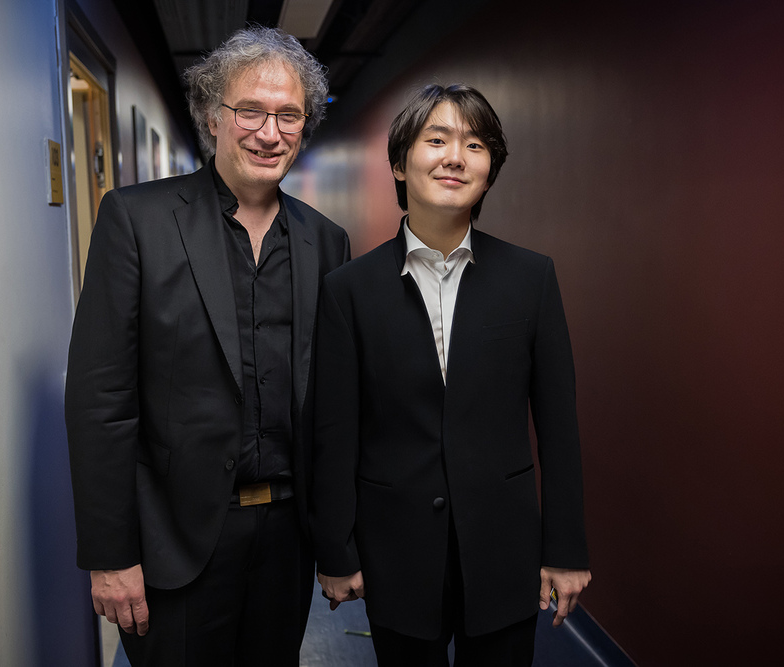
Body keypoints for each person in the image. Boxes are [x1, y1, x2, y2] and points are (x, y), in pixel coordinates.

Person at [65, 26, 349, 666]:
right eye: (250, 111)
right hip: (174, 538)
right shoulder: (135, 220)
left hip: (285, 540)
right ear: (213, 118)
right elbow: (100, 400)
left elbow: (332, 408)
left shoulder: (325, 242)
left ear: (305, 128)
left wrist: (336, 540)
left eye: (289, 116)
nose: (269, 132)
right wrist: (111, 555)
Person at [310, 83, 591, 666]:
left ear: (490, 171)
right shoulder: (349, 291)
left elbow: (559, 427)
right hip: (396, 551)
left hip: (503, 548)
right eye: (435, 139)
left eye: (476, 145)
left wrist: (564, 550)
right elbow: (335, 432)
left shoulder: (530, 279)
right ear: (398, 163)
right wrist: (336, 552)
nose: (456, 157)